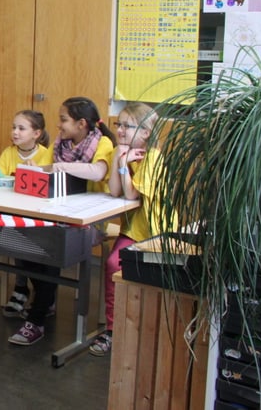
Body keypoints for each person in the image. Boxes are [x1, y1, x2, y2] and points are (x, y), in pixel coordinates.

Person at [9, 96, 115, 346]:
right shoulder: (62, 144)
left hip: (91, 218)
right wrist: (38, 169)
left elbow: (98, 171)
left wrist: (59, 166)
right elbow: (52, 169)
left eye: (63, 120)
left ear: (81, 124)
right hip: (60, 210)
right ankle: (45, 300)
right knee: (24, 242)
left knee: (49, 248)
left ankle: (36, 319)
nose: (58, 125)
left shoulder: (103, 142)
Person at [90, 102, 162, 357]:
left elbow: (132, 195)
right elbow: (115, 190)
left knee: (114, 264)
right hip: (132, 229)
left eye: (127, 126)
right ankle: (113, 329)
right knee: (113, 264)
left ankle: (131, 327)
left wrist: (122, 166)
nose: (119, 130)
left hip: (154, 232)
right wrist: (120, 159)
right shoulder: (122, 151)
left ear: (145, 132)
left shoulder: (152, 157)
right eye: (118, 124)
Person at [0, 110, 52, 315]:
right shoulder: (8, 152)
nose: (15, 132)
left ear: (37, 133)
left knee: (26, 239)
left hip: (37, 215)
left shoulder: (46, 154)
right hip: (13, 212)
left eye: (21, 128)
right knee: (12, 234)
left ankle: (36, 292)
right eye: (13, 127)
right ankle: (24, 287)